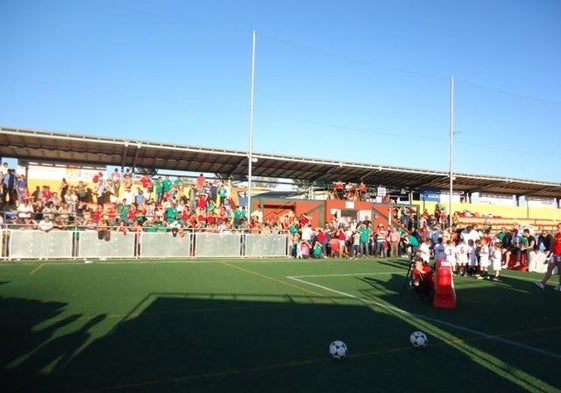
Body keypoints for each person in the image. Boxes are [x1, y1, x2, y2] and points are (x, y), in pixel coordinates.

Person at [535, 223, 561, 291]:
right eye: (557, 226)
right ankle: (543, 283)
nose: (558, 228)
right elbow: (553, 245)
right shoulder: (556, 235)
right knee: (550, 268)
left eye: (559, 227)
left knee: (560, 271)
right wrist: (549, 255)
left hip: (560, 255)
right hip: (555, 255)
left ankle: (560, 286)